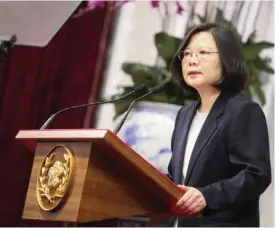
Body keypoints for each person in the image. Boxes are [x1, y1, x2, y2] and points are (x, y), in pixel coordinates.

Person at [167, 22, 272, 227]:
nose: (192, 60)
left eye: (203, 52)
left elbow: (255, 175)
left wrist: (207, 196)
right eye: (187, 54)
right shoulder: (184, 115)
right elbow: (176, 177)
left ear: (226, 60)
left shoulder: (242, 111)